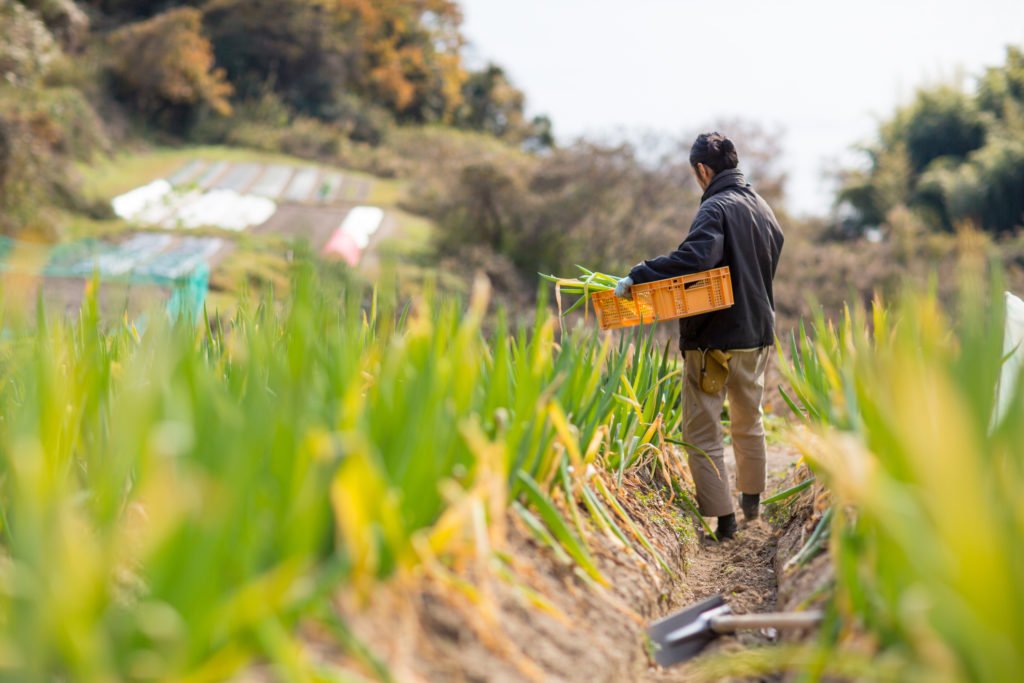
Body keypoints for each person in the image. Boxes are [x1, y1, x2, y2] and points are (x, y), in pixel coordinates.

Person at [614, 132, 784, 541]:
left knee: (702, 427)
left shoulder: (716, 207)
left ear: (703, 170)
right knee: (749, 419)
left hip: (715, 339)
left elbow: (696, 258)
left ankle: (723, 519)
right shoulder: (763, 208)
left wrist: (639, 274)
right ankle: (751, 506)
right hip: (757, 333)